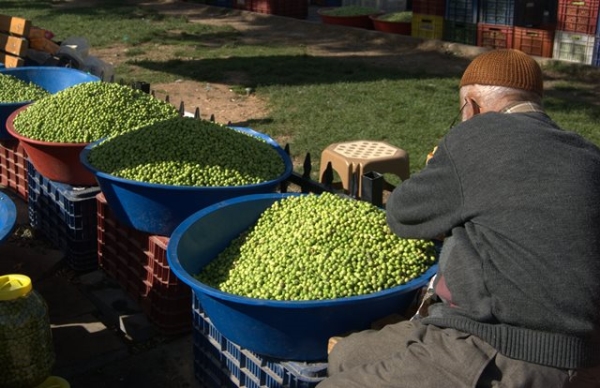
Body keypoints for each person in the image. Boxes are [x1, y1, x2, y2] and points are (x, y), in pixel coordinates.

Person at [316, 49, 600, 387]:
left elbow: (402, 214)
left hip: (502, 349)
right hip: (580, 350)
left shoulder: (480, 134)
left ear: (475, 107)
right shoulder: (587, 154)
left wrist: (444, 162)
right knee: (346, 354)